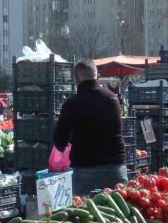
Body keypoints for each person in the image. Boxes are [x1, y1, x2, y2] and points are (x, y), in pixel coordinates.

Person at [53, 59, 126, 196]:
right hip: (115, 167)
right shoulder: (113, 99)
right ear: (97, 76)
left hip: (85, 168)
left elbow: (60, 141)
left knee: (87, 213)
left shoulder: (71, 104)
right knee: (119, 214)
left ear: (76, 80)